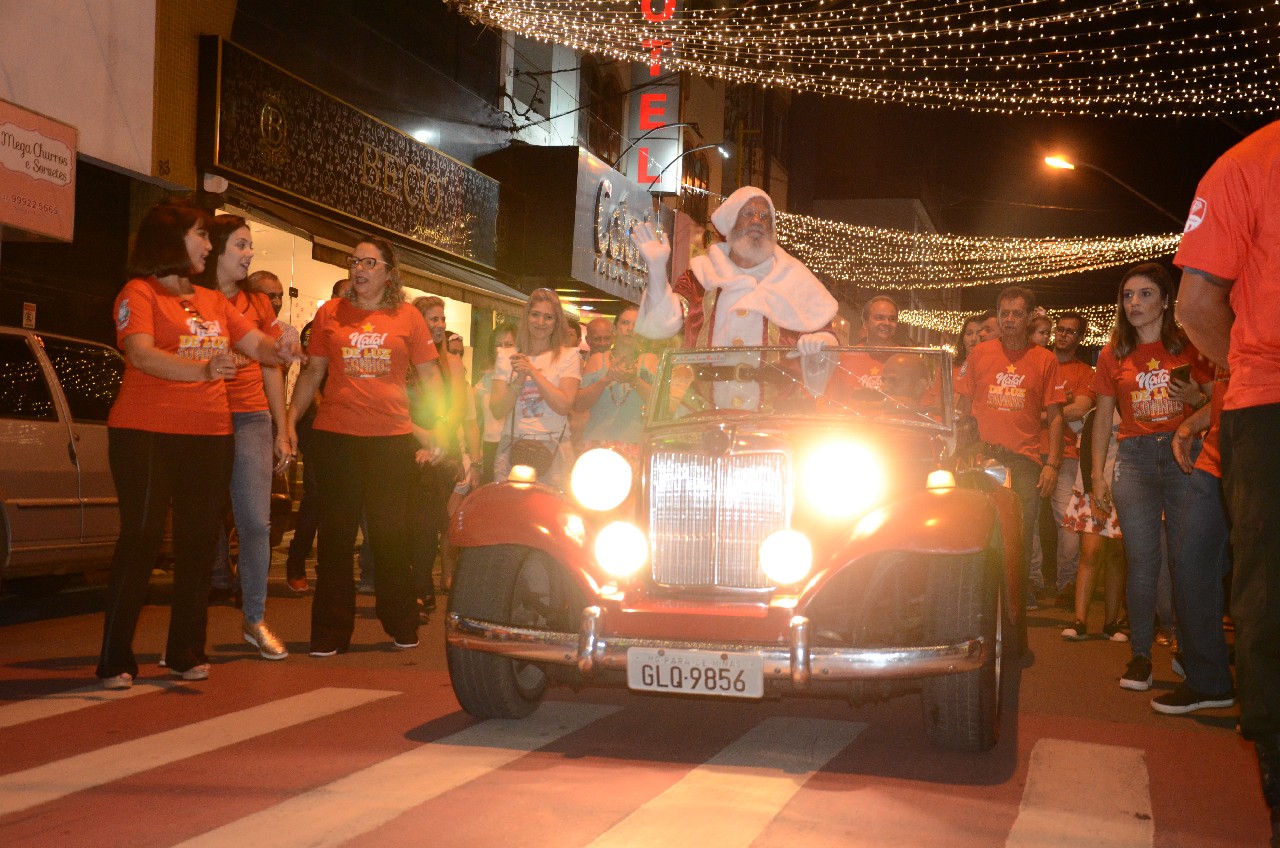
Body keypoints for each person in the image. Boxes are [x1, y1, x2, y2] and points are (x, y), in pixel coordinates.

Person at [97, 198, 300, 690]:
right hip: (145, 433)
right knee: (141, 539)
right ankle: (116, 658)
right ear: (171, 240)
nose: (209, 246)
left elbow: (256, 345)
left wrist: (283, 347)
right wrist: (204, 370)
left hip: (209, 436)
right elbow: (142, 356)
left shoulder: (213, 301)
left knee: (197, 543)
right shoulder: (138, 293)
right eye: (200, 235)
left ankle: (184, 651)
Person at [1172, 121, 1280, 841]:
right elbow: (1195, 306)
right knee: (1267, 598)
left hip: (1264, 405)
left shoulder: (1243, 162)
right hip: (1268, 404)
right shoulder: (1248, 164)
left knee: (1270, 596)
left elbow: (1196, 309)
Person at [283, 237, 442, 656]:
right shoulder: (329, 313)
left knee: (390, 535)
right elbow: (312, 372)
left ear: (389, 273)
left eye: (370, 262)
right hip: (337, 437)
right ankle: (330, 633)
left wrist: (443, 427)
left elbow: (431, 377)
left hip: (391, 440)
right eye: (355, 261)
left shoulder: (408, 316)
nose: (360, 269)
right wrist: (289, 421)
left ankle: (401, 623)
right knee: (335, 537)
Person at [1091, 263, 1209, 692]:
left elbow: (1218, 398)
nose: (1134, 303)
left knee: (1185, 561)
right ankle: (1140, 656)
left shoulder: (1190, 344)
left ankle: (1186, 649)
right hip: (1135, 460)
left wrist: (1196, 397)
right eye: (1127, 296)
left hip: (1183, 456)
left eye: (1144, 294)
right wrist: (1097, 477)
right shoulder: (1112, 353)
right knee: (1142, 562)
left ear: (1164, 300)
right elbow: (1103, 419)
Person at [194, 215, 290, 661]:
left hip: (251, 417)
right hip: (202, 416)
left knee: (255, 522)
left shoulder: (258, 305)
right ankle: (187, 632)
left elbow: (271, 365)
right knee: (200, 523)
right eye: (241, 244)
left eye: (251, 245)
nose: (250, 253)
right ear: (215, 248)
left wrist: (282, 428)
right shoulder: (190, 298)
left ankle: (254, 619)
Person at [630, 186, 838, 355]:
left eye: (765, 216)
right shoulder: (700, 277)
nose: (757, 220)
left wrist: (822, 342)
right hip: (705, 404)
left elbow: (825, 333)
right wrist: (656, 269)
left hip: (776, 405)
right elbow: (659, 327)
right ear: (731, 222)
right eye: (748, 213)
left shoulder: (796, 280)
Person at [957, 286, 1065, 610]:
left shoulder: (1045, 359)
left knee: (1018, 536)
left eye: (1017, 313)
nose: (1009, 319)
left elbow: (1057, 417)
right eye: (1004, 313)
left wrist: (1053, 464)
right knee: (974, 528)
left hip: (1024, 461)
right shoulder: (980, 353)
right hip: (981, 456)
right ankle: (977, 602)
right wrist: (958, 449)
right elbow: (963, 405)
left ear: (1031, 317)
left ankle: (1014, 607)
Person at [1155, 369, 1235, 714]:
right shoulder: (1226, 329)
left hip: (1261, 450)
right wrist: (1189, 425)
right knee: (1189, 562)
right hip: (1215, 460)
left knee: (1259, 579)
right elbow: (1225, 395)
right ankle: (1209, 682)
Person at [407, 296, 474, 615]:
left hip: (440, 447)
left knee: (430, 520)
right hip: (404, 443)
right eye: (432, 319)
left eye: (442, 319)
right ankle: (417, 586)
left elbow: (458, 406)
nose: (440, 325)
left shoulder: (453, 362)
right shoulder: (406, 359)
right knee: (414, 521)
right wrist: (421, 435)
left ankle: (420, 586)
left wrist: (444, 438)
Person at [284, 279, 350, 594]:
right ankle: (296, 562)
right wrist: (325, 412)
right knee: (316, 495)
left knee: (341, 499)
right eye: (344, 296)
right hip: (318, 424)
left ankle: (330, 567)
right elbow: (312, 375)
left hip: (350, 425)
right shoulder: (316, 328)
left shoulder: (360, 331)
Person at [489, 288, 581, 488]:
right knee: (510, 512)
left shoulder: (569, 356)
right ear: (526, 317)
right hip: (513, 444)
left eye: (548, 317)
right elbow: (497, 410)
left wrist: (532, 371)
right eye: (535, 315)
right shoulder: (506, 355)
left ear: (557, 322)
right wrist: (519, 380)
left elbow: (564, 405)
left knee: (554, 513)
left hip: (554, 445)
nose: (541, 322)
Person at [1042, 313, 1096, 607]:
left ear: (1079, 338)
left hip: (1065, 455)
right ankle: (1033, 580)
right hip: (1029, 450)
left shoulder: (1085, 372)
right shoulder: (1039, 361)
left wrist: (1041, 416)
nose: (1063, 335)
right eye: (1059, 330)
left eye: (1070, 332)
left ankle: (1067, 582)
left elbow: (1080, 410)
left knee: (1068, 522)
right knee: (1027, 522)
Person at [574, 306, 658, 456]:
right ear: (615, 329)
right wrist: (606, 379)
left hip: (636, 446)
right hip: (597, 445)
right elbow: (578, 405)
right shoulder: (597, 359)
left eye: (636, 325)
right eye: (625, 323)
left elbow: (659, 405)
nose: (630, 329)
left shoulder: (650, 360)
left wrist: (634, 380)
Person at [474, 322, 518, 484]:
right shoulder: (485, 378)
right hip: (489, 446)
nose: (501, 349)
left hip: (514, 447)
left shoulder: (522, 378)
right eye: (497, 345)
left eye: (508, 345)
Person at [951, 313, 987, 384]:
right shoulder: (951, 368)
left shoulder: (991, 368)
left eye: (978, 334)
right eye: (969, 334)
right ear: (962, 338)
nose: (973, 339)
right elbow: (934, 392)